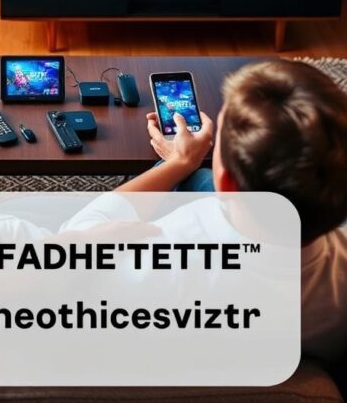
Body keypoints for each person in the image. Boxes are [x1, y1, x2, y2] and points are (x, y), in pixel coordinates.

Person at [72, 59, 347, 364]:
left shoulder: (156, 262)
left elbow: (74, 238)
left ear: (226, 185)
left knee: (187, 178)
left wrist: (179, 163)